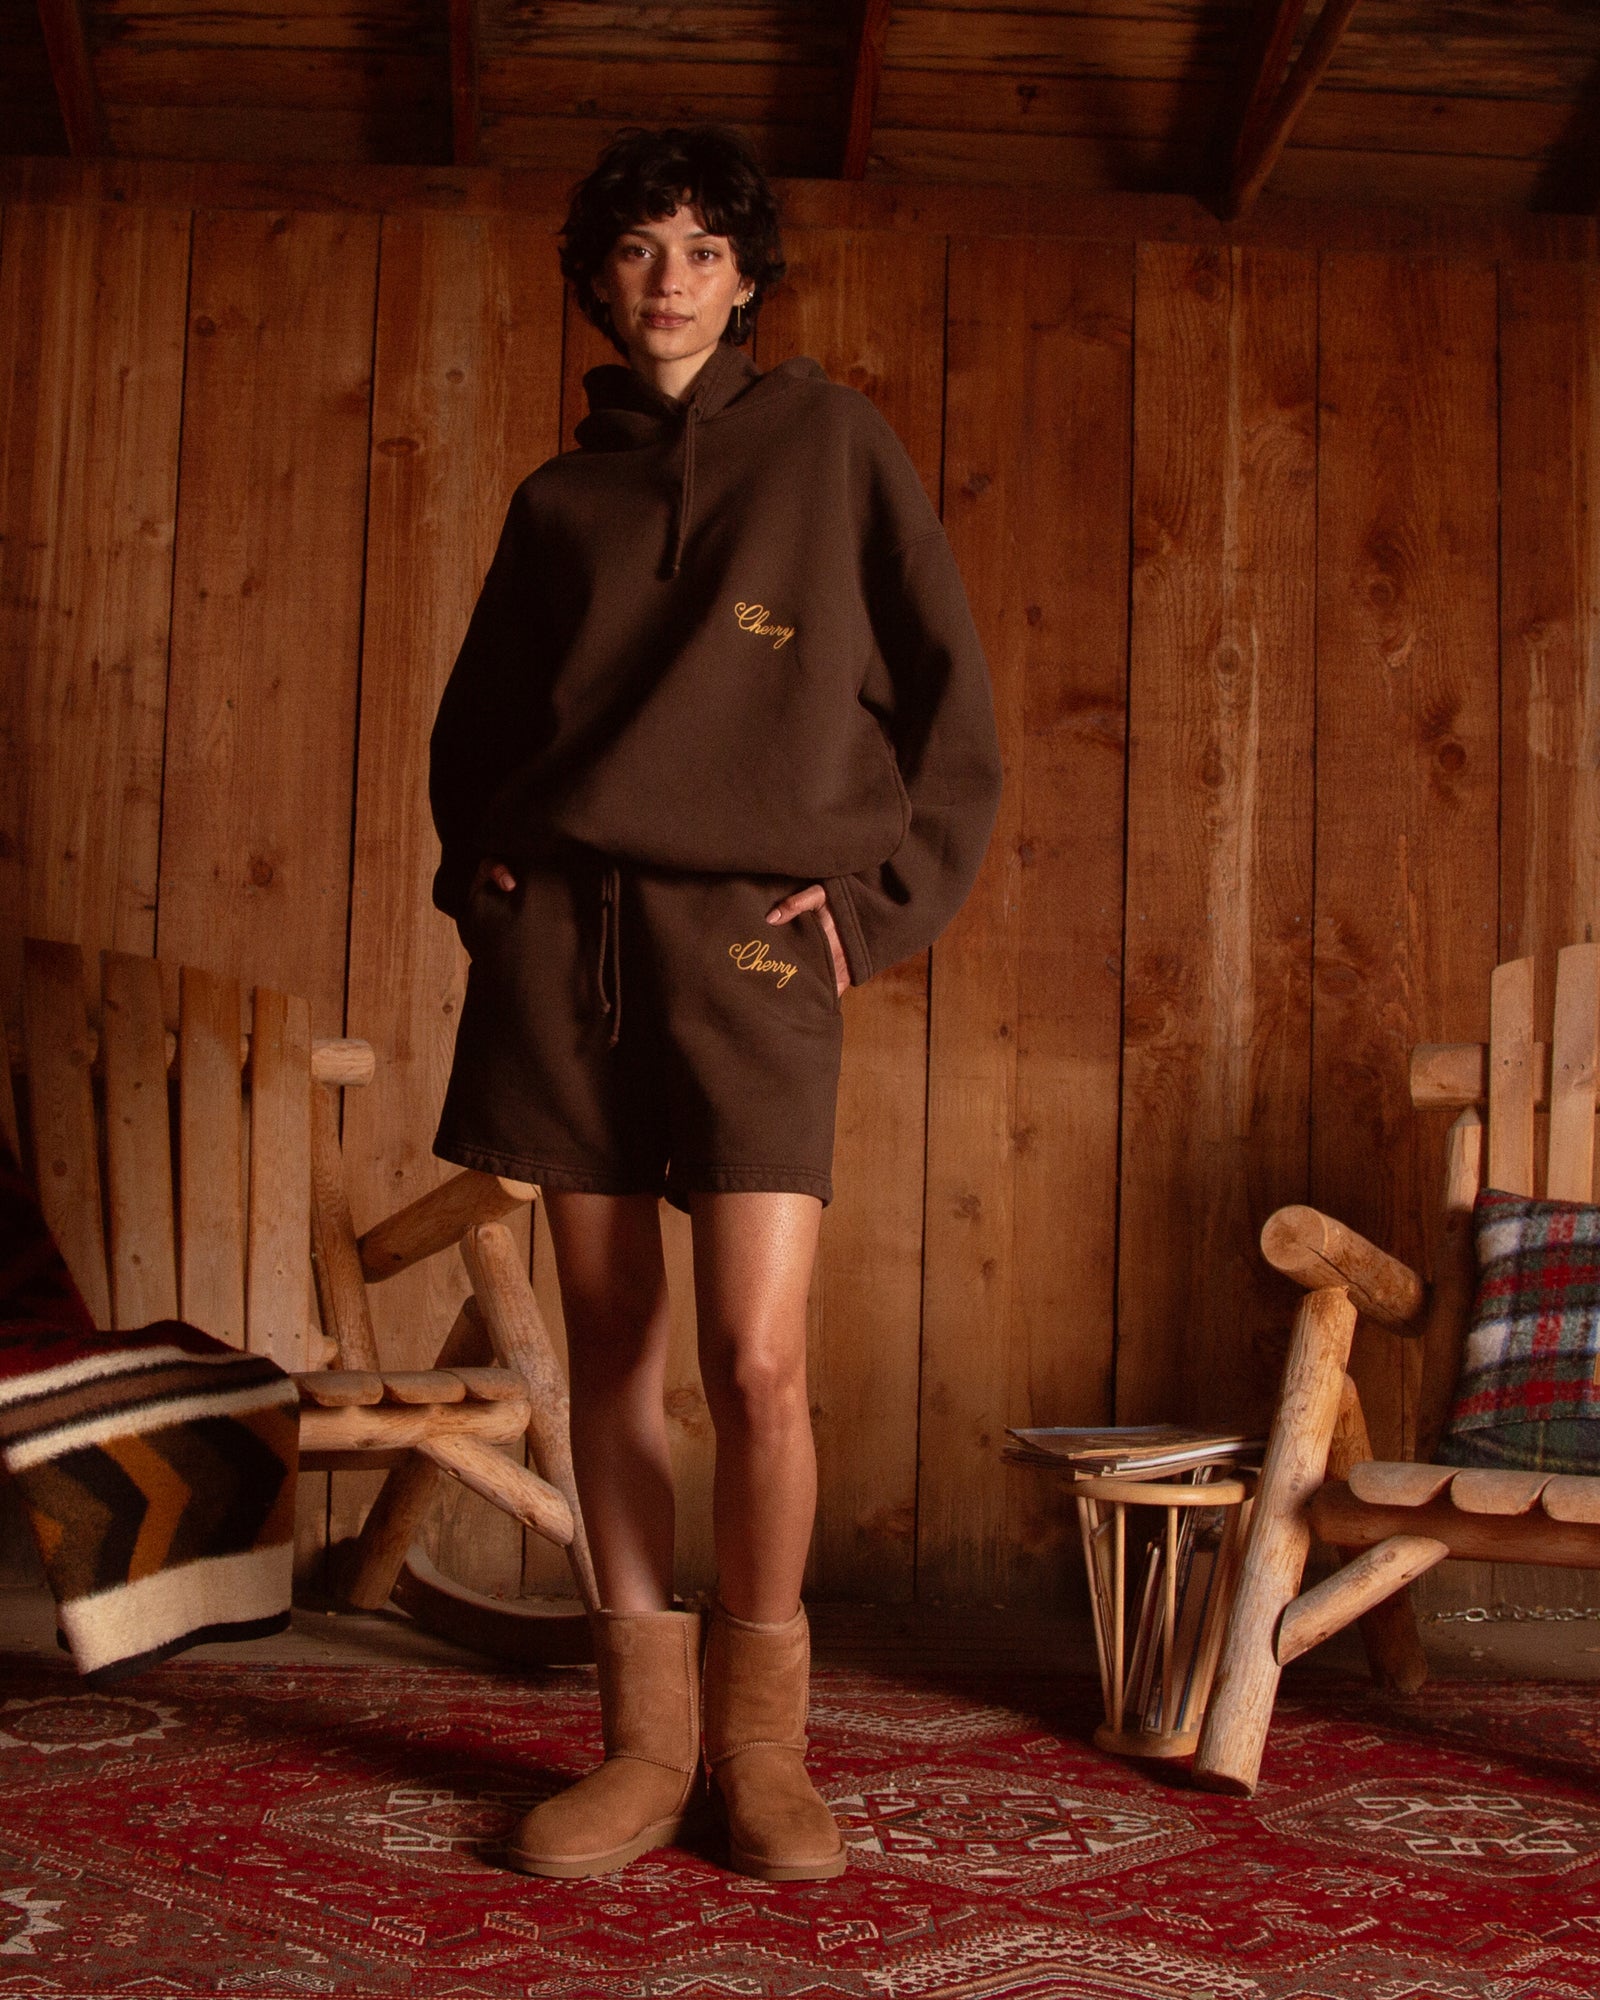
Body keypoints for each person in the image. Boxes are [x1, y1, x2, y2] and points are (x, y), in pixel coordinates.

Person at [428, 124, 1002, 1884]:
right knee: (610, 1353)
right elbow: (479, 734)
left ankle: (763, 1750)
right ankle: (642, 1747)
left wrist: (877, 911)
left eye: (701, 247)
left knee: (757, 1361)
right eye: (636, 247)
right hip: (568, 957)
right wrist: (485, 880)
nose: (669, 277)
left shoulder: (834, 445)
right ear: (597, 280)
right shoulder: (558, 502)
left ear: (748, 277)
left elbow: (953, 711)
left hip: (755, 955)